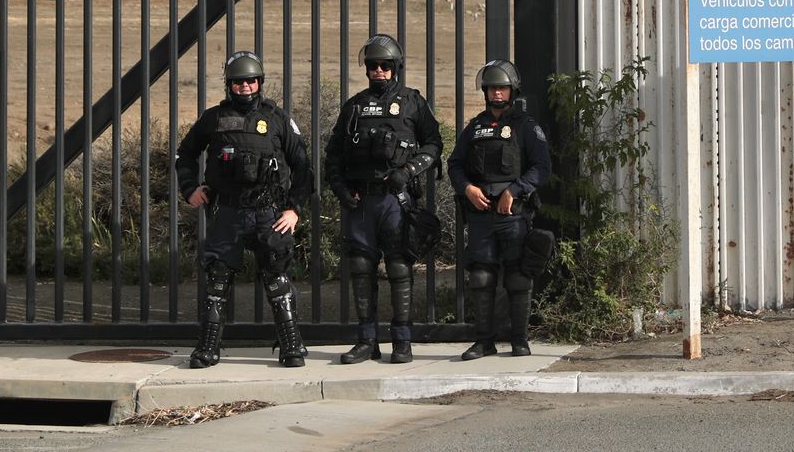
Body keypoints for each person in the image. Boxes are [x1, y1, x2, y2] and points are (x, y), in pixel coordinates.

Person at [172, 51, 311, 369]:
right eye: (238, 83)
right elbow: (185, 154)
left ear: (260, 82)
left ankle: (291, 347)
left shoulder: (277, 118)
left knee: (276, 279)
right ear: (229, 85)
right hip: (228, 212)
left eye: (251, 81)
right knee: (217, 281)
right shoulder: (213, 119)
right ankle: (207, 350)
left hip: (270, 214)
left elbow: (303, 166)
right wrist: (190, 189)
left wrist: (294, 209)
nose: (245, 87)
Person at [325, 34, 441, 364]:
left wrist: (410, 170)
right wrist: (341, 189)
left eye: (384, 66)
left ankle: (402, 341)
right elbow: (333, 155)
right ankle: (367, 341)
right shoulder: (355, 106)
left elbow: (433, 145)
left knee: (399, 267)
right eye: (373, 66)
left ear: (395, 68)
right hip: (362, 202)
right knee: (361, 267)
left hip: (396, 200)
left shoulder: (412, 102)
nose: (378, 71)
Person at [447, 59, 552, 359]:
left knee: (518, 277)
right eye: (492, 88)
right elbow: (455, 164)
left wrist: (515, 190)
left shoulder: (526, 126)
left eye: (502, 88)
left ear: (512, 89)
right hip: (481, 215)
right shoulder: (475, 127)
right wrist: (467, 188)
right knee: (481, 277)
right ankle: (484, 341)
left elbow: (541, 168)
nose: (497, 93)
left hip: (514, 214)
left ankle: (519, 340)